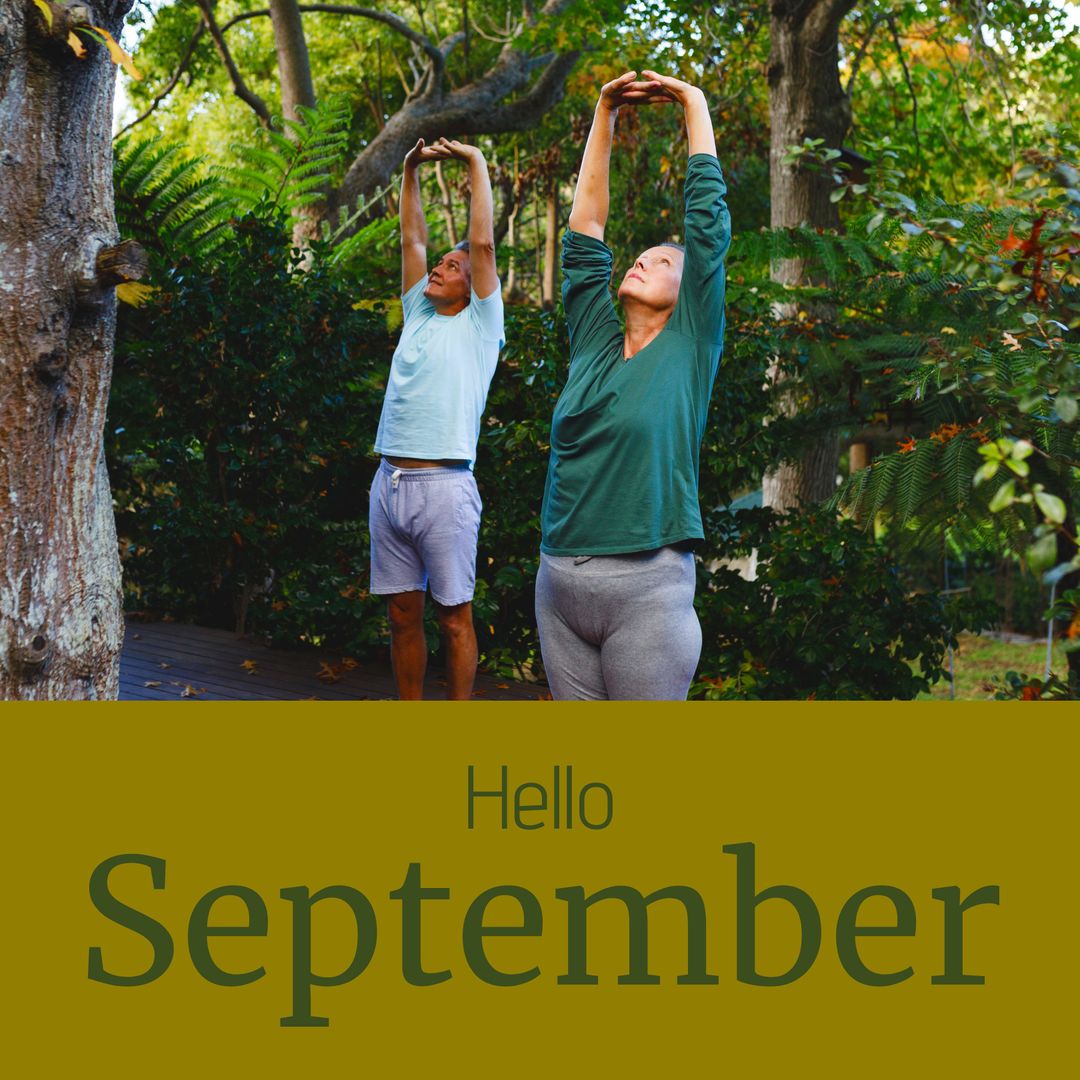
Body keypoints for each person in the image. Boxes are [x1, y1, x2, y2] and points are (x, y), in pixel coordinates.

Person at [536, 70, 731, 700]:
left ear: (688, 288)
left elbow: (706, 226)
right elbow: (585, 232)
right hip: (558, 583)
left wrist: (692, 103)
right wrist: (604, 111)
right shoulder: (593, 340)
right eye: (641, 253)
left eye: (665, 260)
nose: (643, 259)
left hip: (646, 591)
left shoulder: (691, 343)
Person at [369, 137, 504, 700]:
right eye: (443, 263)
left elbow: (482, 242)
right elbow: (413, 238)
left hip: (444, 488)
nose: (443, 267)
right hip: (389, 484)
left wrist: (474, 163)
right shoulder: (418, 314)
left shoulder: (481, 325)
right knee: (403, 615)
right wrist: (409, 171)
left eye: (455, 266)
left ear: (474, 287)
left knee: (454, 618)